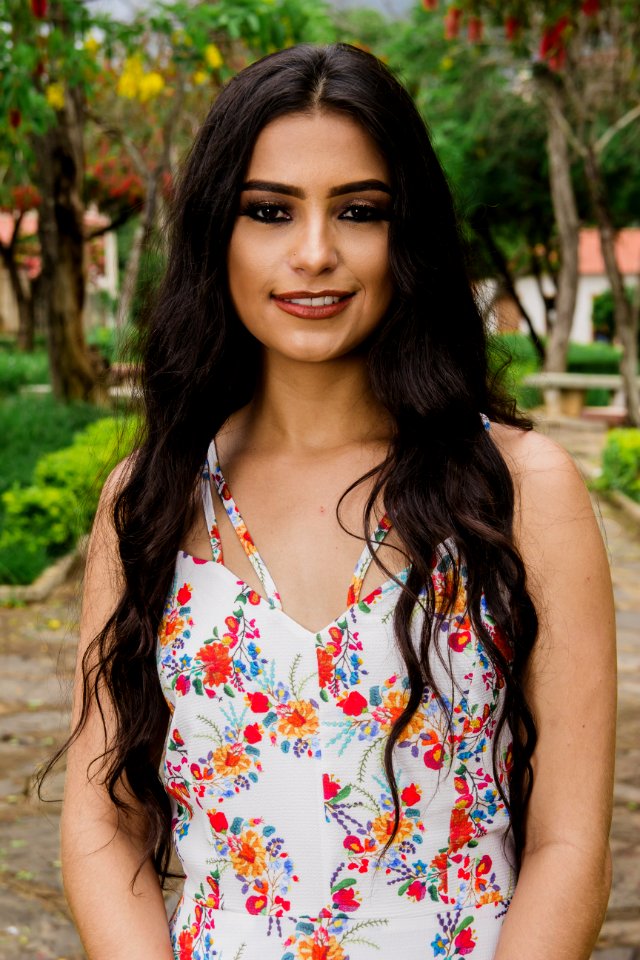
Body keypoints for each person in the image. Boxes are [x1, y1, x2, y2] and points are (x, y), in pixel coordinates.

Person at [59, 43, 616, 960]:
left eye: (359, 211)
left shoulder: (521, 489)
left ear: (410, 237)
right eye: (270, 211)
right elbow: (100, 822)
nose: (314, 253)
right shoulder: (152, 496)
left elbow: (569, 846)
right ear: (217, 234)